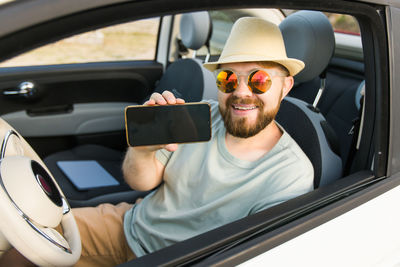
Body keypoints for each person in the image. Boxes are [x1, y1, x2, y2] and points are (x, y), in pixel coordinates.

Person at [0, 17, 313, 266]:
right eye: (228, 78)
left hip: (179, 259)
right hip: (128, 224)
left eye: (259, 80)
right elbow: (140, 180)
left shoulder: (290, 176)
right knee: (26, 242)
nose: (241, 92)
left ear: (285, 86)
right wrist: (144, 148)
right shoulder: (197, 119)